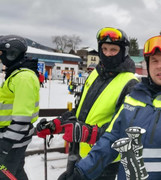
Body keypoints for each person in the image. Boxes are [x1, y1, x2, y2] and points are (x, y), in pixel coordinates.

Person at [58, 35, 161, 180]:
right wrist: (82, 172)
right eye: (154, 61)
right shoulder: (134, 97)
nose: (159, 66)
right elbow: (111, 139)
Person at [36, 27, 139, 180]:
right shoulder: (95, 74)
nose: (107, 54)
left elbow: (123, 130)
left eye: (113, 50)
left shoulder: (130, 83)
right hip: (78, 152)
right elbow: (80, 111)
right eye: (104, 49)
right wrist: (57, 123)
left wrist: (87, 133)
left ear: (123, 52)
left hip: (103, 161)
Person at [0, 35, 40, 179]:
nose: (1, 58)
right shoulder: (15, 74)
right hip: (10, 138)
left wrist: (5, 144)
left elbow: (22, 118)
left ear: (12, 54)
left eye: (2, 54)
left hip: (12, 141)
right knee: (15, 173)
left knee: (6, 176)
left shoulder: (23, 78)